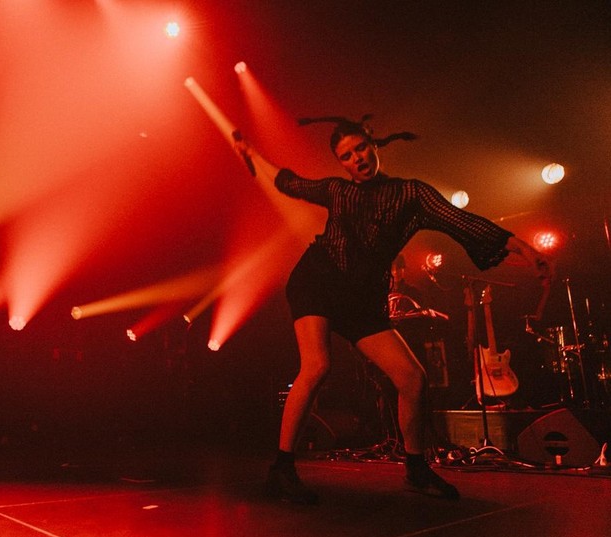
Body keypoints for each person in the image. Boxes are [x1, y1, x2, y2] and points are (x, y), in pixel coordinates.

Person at [234, 115, 553, 504]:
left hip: (362, 296)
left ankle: (416, 471)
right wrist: (252, 154)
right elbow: (288, 183)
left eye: (361, 149)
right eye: (347, 156)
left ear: (374, 145)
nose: (358, 159)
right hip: (318, 278)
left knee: (413, 378)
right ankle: (281, 471)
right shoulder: (338, 191)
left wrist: (524, 247)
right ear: (342, 164)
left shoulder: (410, 194)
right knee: (317, 366)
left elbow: (460, 221)